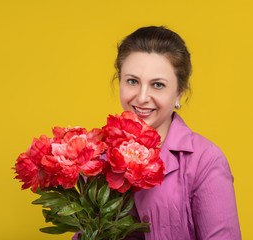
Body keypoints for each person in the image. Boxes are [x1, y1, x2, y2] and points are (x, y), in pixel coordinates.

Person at [73, 26, 241, 239]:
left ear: (179, 92)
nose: (142, 98)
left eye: (158, 85)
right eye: (132, 81)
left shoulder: (205, 160)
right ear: (120, 81)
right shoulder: (98, 157)